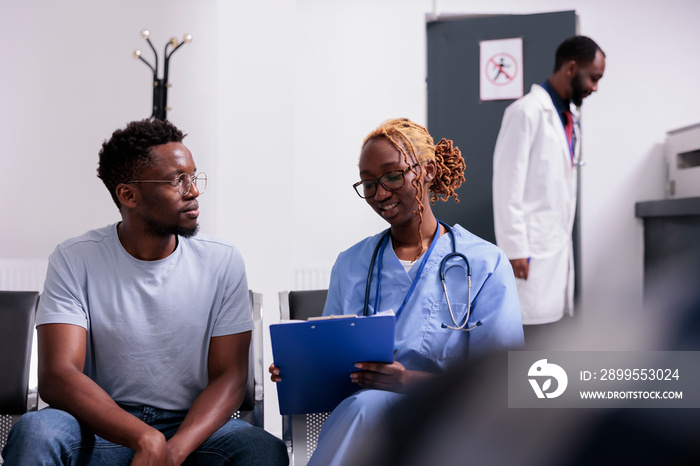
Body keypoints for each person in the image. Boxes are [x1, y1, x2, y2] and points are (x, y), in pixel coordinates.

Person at [1, 119, 288, 465]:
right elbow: (58, 376)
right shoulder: (75, 258)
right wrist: (144, 437)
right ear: (128, 195)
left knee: (262, 450)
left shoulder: (222, 261)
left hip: (191, 427)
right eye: (176, 180)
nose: (193, 190)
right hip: (100, 424)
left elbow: (230, 375)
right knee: (36, 432)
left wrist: (173, 449)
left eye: (194, 177)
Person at [270, 118, 523, 466]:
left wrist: (406, 382)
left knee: (366, 406)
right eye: (369, 183)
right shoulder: (351, 263)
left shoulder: (485, 264)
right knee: (364, 406)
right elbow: (331, 366)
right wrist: (300, 369)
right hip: (362, 422)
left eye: (392, 176)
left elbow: (499, 384)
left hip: (449, 424)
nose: (380, 193)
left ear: (429, 171)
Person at [492, 36, 606, 336]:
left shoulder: (567, 116)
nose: (595, 87)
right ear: (571, 68)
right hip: (528, 253)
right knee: (528, 337)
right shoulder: (526, 112)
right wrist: (515, 248)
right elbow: (507, 184)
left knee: (549, 333)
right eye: (593, 77)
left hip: (553, 248)